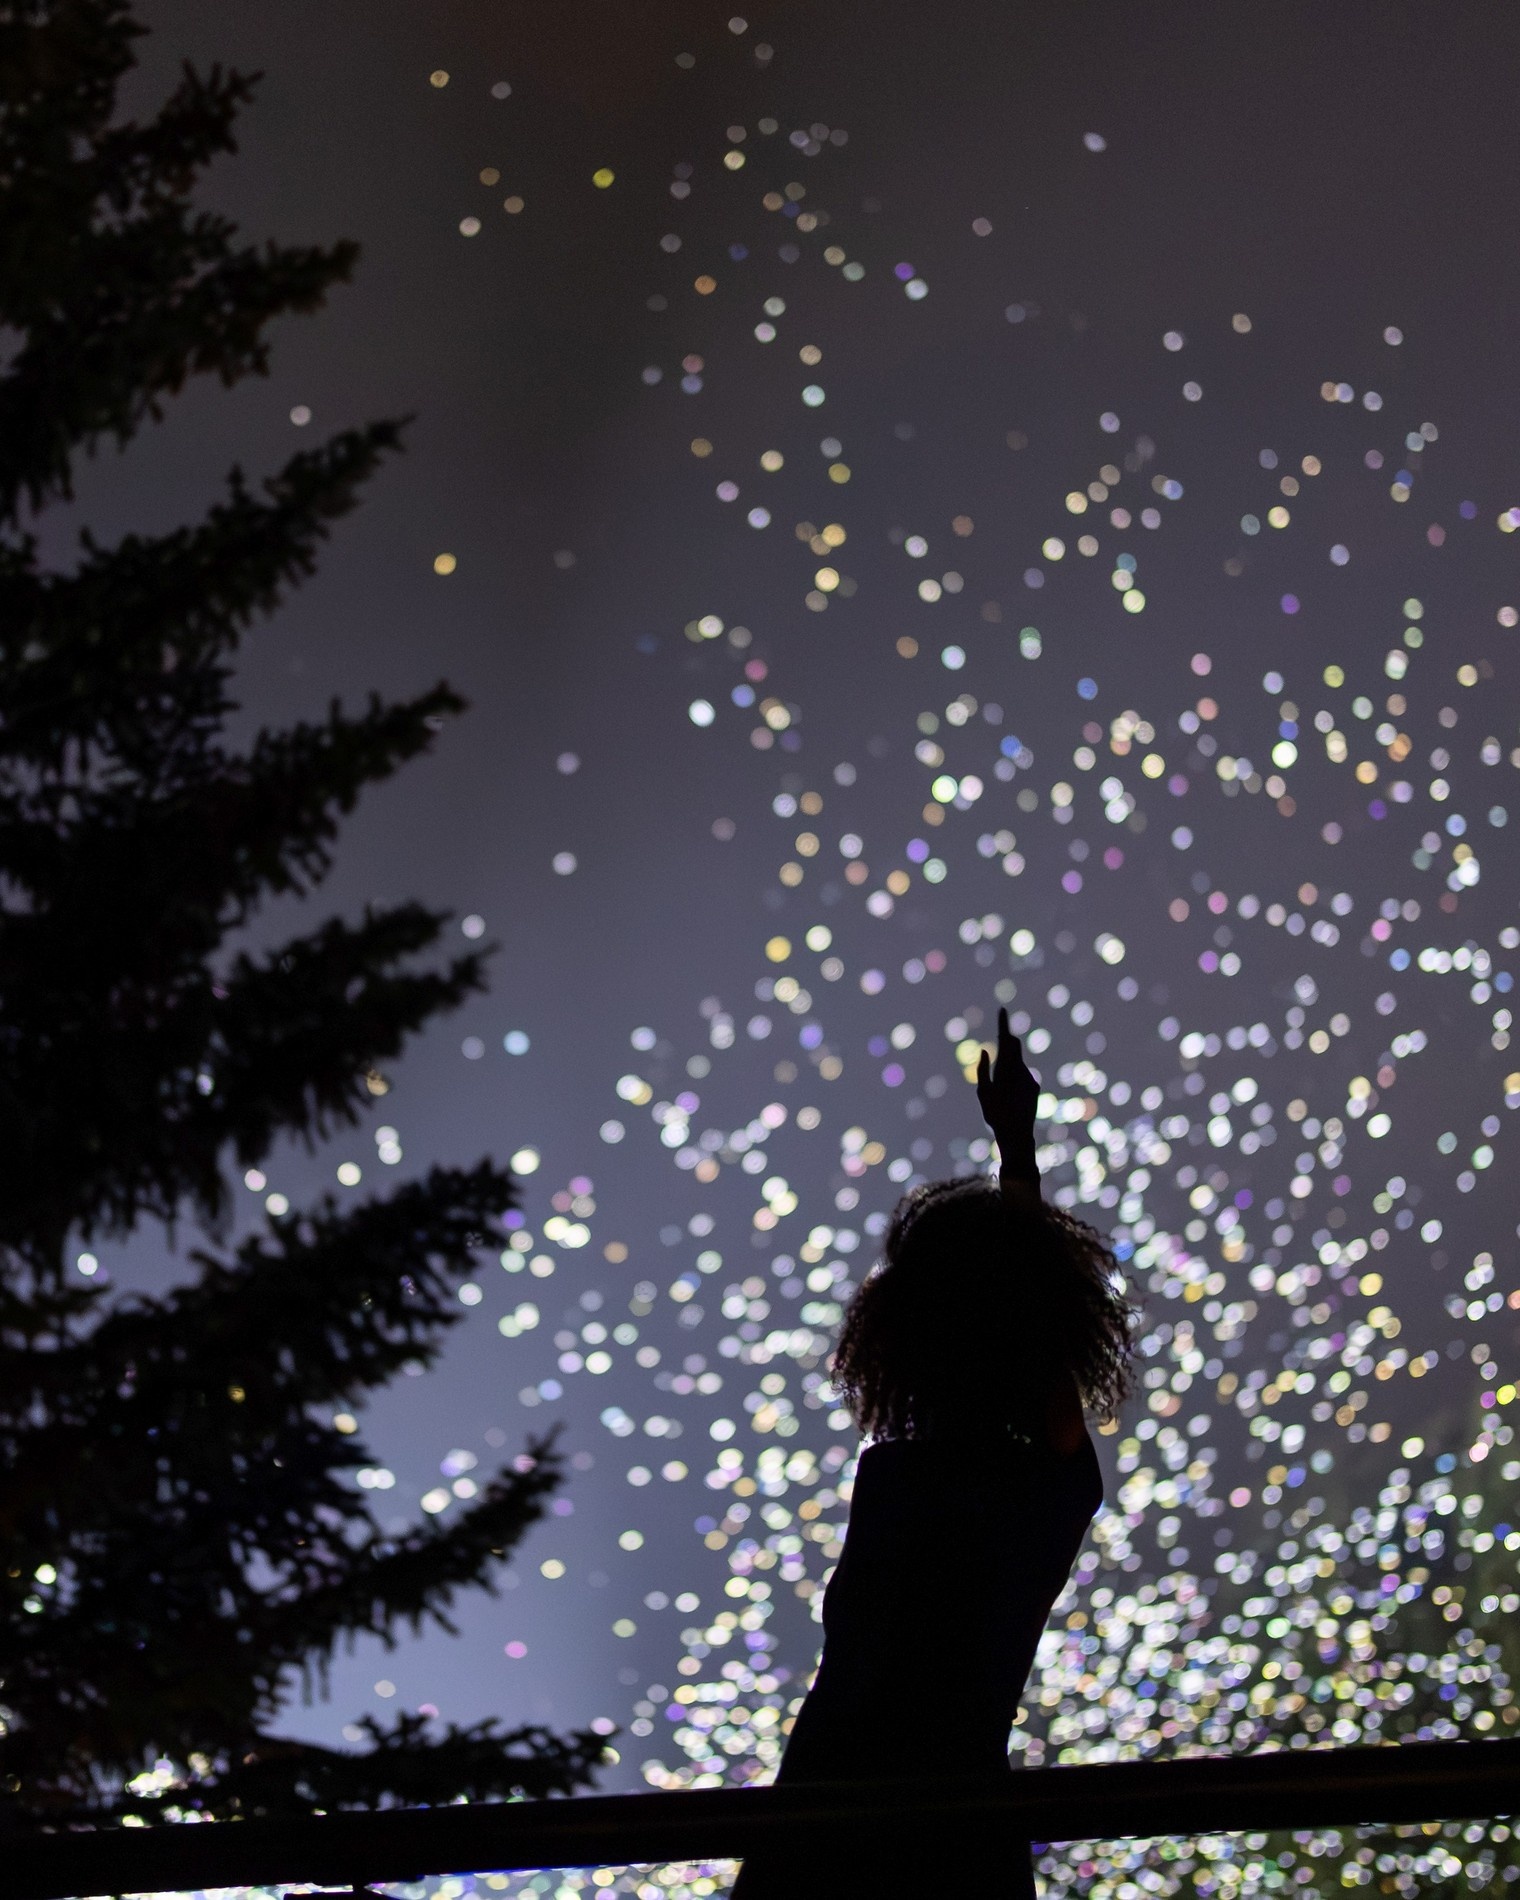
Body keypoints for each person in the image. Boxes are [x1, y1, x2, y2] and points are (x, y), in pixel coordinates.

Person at [729, 1007, 1136, 1899]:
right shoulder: (1039, 1490)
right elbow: (1033, 1322)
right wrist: (1018, 1159)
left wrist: (1018, 1160)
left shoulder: (907, 1481)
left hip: (829, 1828)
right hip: (948, 1831)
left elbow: (1027, 1318)